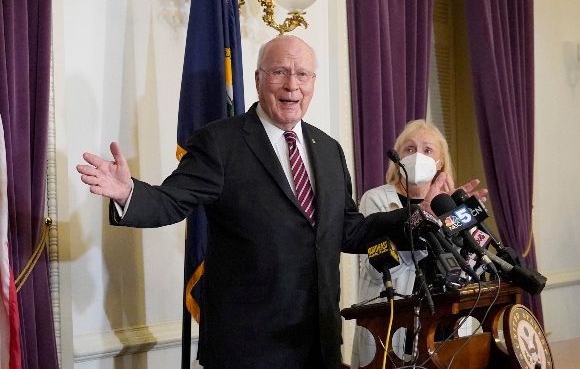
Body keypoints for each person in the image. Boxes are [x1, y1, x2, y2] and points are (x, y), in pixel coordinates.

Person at [77, 36, 483, 369]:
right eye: (280, 72)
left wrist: (419, 216)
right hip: (248, 348)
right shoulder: (221, 142)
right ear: (257, 78)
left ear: (313, 82)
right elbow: (171, 201)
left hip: (318, 345)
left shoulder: (328, 149)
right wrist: (129, 193)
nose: (292, 85)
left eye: (302, 74)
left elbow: (351, 228)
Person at [350, 119, 461, 367]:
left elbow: (459, 265)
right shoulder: (376, 199)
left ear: (440, 163)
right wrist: (425, 212)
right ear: (397, 158)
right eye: (409, 149)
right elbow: (380, 264)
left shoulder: (447, 204)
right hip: (390, 318)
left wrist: (466, 223)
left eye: (427, 150)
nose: (417, 156)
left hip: (439, 321)